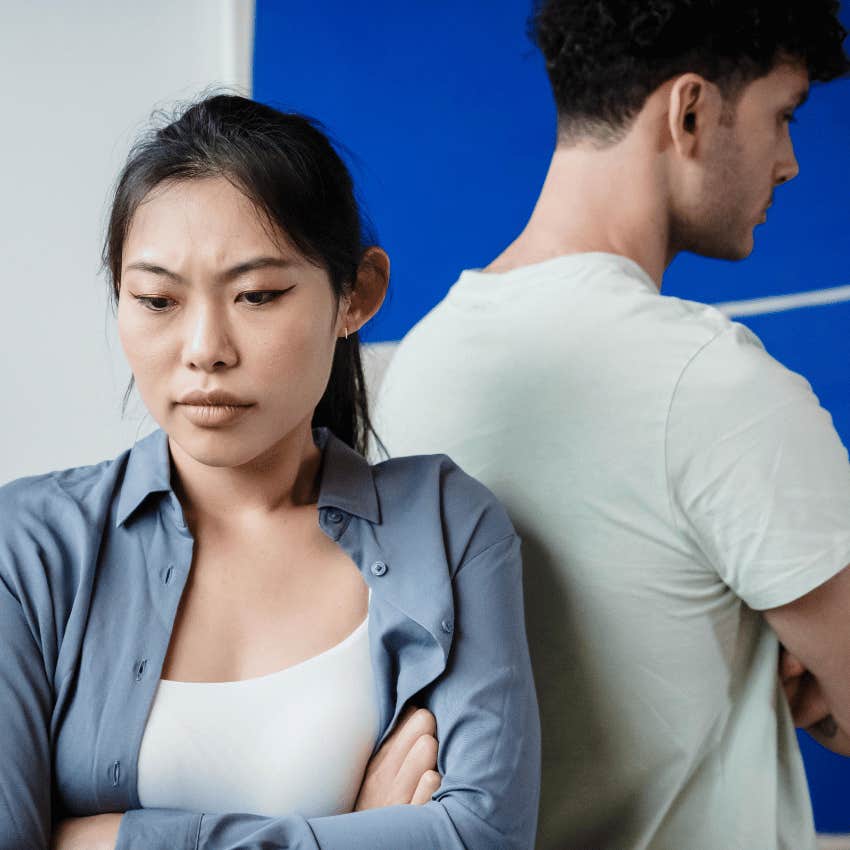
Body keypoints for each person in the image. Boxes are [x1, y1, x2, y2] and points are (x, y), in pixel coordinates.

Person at [0, 95, 540, 850]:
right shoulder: (27, 548)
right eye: (156, 299)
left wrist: (109, 839)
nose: (204, 349)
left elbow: (484, 838)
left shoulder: (449, 526)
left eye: (257, 295)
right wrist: (348, 833)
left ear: (357, 296)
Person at [374, 2, 850, 848]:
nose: (790, 164)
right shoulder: (715, 382)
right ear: (691, 111)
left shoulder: (418, 363)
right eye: (784, 117)